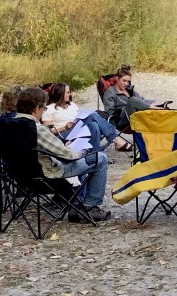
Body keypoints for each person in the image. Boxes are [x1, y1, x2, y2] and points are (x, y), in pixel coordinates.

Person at [14, 87, 112, 222]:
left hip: (19, 175)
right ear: (36, 109)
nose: (43, 112)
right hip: (45, 174)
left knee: (87, 158)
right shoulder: (35, 128)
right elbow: (69, 156)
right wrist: (83, 151)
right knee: (100, 158)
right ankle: (90, 207)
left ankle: (77, 202)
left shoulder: (9, 124)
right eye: (44, 108)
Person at [43, 82, 128, 153]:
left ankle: (96, 155)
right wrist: (64, 127)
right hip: (62, 135)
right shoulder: (49, 109)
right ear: (60, 94)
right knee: (93, 116)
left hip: (77, 130)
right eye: (67, 93)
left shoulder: (72, 105)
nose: (70, 94)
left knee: (94, 125)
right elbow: (47, 133)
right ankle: (115, 139)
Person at [102, 65, 160, 137]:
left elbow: (141, 100)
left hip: (137, 115)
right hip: (122, 119)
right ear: (117, 78)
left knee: (155, 103)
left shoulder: (128, 89)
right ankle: (151, 108)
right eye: (124, 81)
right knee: (132, 100)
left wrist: (154, 102)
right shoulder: (110, 92)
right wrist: (123, 109)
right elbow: (109, 112)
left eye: (128, 81)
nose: (126, 84)